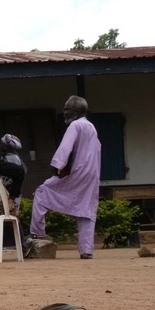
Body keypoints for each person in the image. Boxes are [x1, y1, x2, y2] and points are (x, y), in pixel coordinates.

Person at [29, 95, 102, 259]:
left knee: (42, 192)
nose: (64, 113)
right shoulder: (91, 127)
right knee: (87, 210)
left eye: (68, 109)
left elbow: (65, 147)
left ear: (77, 111)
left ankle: (37, 233)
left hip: (77, 173)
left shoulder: (75, 125)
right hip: (92, 176)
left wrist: (57, 167)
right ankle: (86, 250)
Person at [0, 133, 27, 209]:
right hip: (7, 191)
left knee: (12, 212)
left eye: (1, 144)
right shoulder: (5, 156)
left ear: (6, 147)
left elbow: (16, 176)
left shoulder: (12, 158)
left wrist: (12, 194)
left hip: (12, 193)